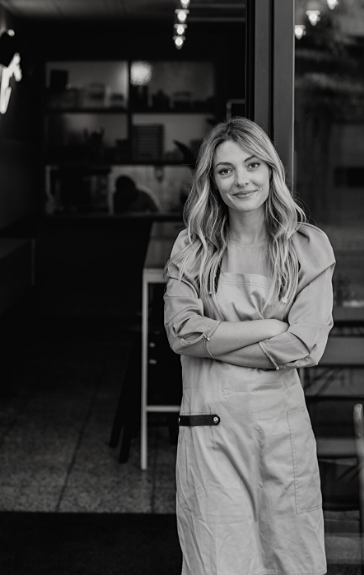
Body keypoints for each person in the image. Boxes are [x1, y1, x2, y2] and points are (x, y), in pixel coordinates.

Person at [164, 117, 335, 575]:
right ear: (212, 181)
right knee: (218, 559)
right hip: (211, 436)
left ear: (271, 170)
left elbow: (304, 346)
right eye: (225, 170)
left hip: (279, 438)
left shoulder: (306, 247)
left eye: (252, 164)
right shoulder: (192, 248)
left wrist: (212, 340)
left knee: (288, 557)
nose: (241, 180)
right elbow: (180, 332)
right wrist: (269, 328)